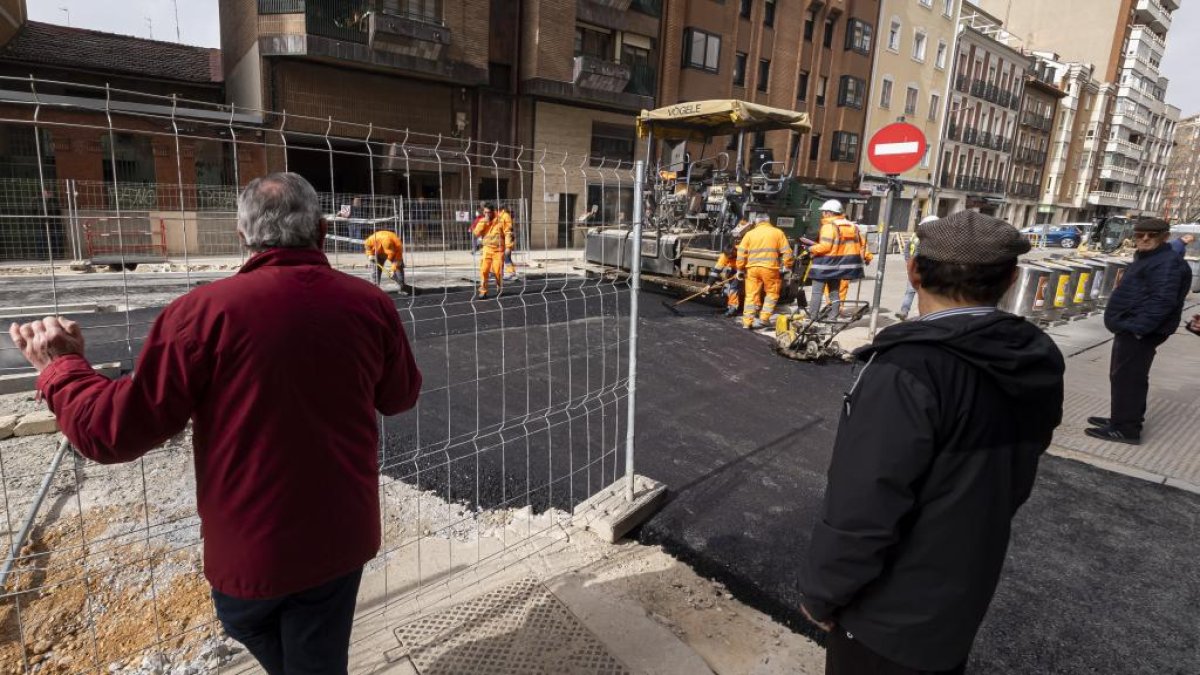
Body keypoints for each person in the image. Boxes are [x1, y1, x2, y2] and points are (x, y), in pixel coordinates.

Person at [8, 173, 423, 674]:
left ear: (242, 237)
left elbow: (111, 432)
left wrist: (61, 369)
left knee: (249, 623)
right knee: (315, 646)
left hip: (251, 548)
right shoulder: (370, 304)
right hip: (341, 535)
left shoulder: (200, 315)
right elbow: (399, 397)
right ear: (321, 231)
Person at [799, 211, 1064, 675]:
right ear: (1012, 278)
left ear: (915, 270)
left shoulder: (907, 371)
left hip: (885, 616)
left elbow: (863, 504)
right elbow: (1014, 477)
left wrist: (823, 594)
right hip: (961, 596)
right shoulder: (1033, 358)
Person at [1087, 217, 1193, 444]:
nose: (1144, 238)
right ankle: (1121, 419)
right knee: (1124, 376)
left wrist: (1138, 329)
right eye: (1140, 234)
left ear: (1165, 236)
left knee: (1129, 378)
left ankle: (1126, 429)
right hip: (1132, 327)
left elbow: (1162, 301)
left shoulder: (1166, 262)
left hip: (1140, 331)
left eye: (1151, 235)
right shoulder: (1150, 258)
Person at [807, 200, 868, 320]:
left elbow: (825, 247)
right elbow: (859, 244)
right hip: (841, 266)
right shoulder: (852, 226)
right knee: (834, 292)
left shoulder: (829, 226)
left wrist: (810, 248)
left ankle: (812, 317)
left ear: (829, 213)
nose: (823, 214)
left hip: (825, 266)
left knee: (817, 292)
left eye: (824, 212)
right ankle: (833, 317)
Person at [736, 214, 794, 329]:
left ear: (757, 222)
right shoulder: (777, 233)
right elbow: (787, 252)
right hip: (770, 269)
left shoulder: (749, 234)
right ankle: (764, 318)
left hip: (752, 269)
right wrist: (787, 266)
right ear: (768, 221)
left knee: (751, 295)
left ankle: (747, 322)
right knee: (771, 293)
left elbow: (741, 253)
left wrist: (740, 268)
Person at [895, 216, 939, 321]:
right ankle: (922, 314)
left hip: (919, 268)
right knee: (924, 292)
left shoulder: (917, 236)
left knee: (913, 291)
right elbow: (907, 249)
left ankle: (905, 311)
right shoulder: (934, 238)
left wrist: (909, 262)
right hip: (924, 268)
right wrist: (909, 262)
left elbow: (907, 249)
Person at [473, 201, 506, 299]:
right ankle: (483, 291)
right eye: (485, 212)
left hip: (498, 250)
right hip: (487, 249)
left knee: (497, 271)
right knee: (484, 270)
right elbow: (476, 233)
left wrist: (509, 246)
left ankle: (499, 287)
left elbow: (508, 233)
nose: (486, 214)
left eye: (488, 212)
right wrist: (484, 222)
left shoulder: (500, 220)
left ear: (493, 212)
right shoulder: (482, 221)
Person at [709, 240, 742, 317]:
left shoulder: (742, 251)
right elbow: (716, 271)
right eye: (727, 256)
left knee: (734, 287)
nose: (728, 258)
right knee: (731, 286)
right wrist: (709, 284)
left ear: (734, 251)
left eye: (730, 256)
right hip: (735, 269)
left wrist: (741, 272)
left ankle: (733, 308)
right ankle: (731, 305)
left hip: (747, 269)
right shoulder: (724, 256)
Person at [496, 205, 519, 281]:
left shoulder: (505, 215)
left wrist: (508, 246)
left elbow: (509, 229)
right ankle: (507, 273)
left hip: (507, 238)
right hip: (504, 239)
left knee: (506, 257)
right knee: (506, 257)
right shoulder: (503, 215)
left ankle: (512, 273)